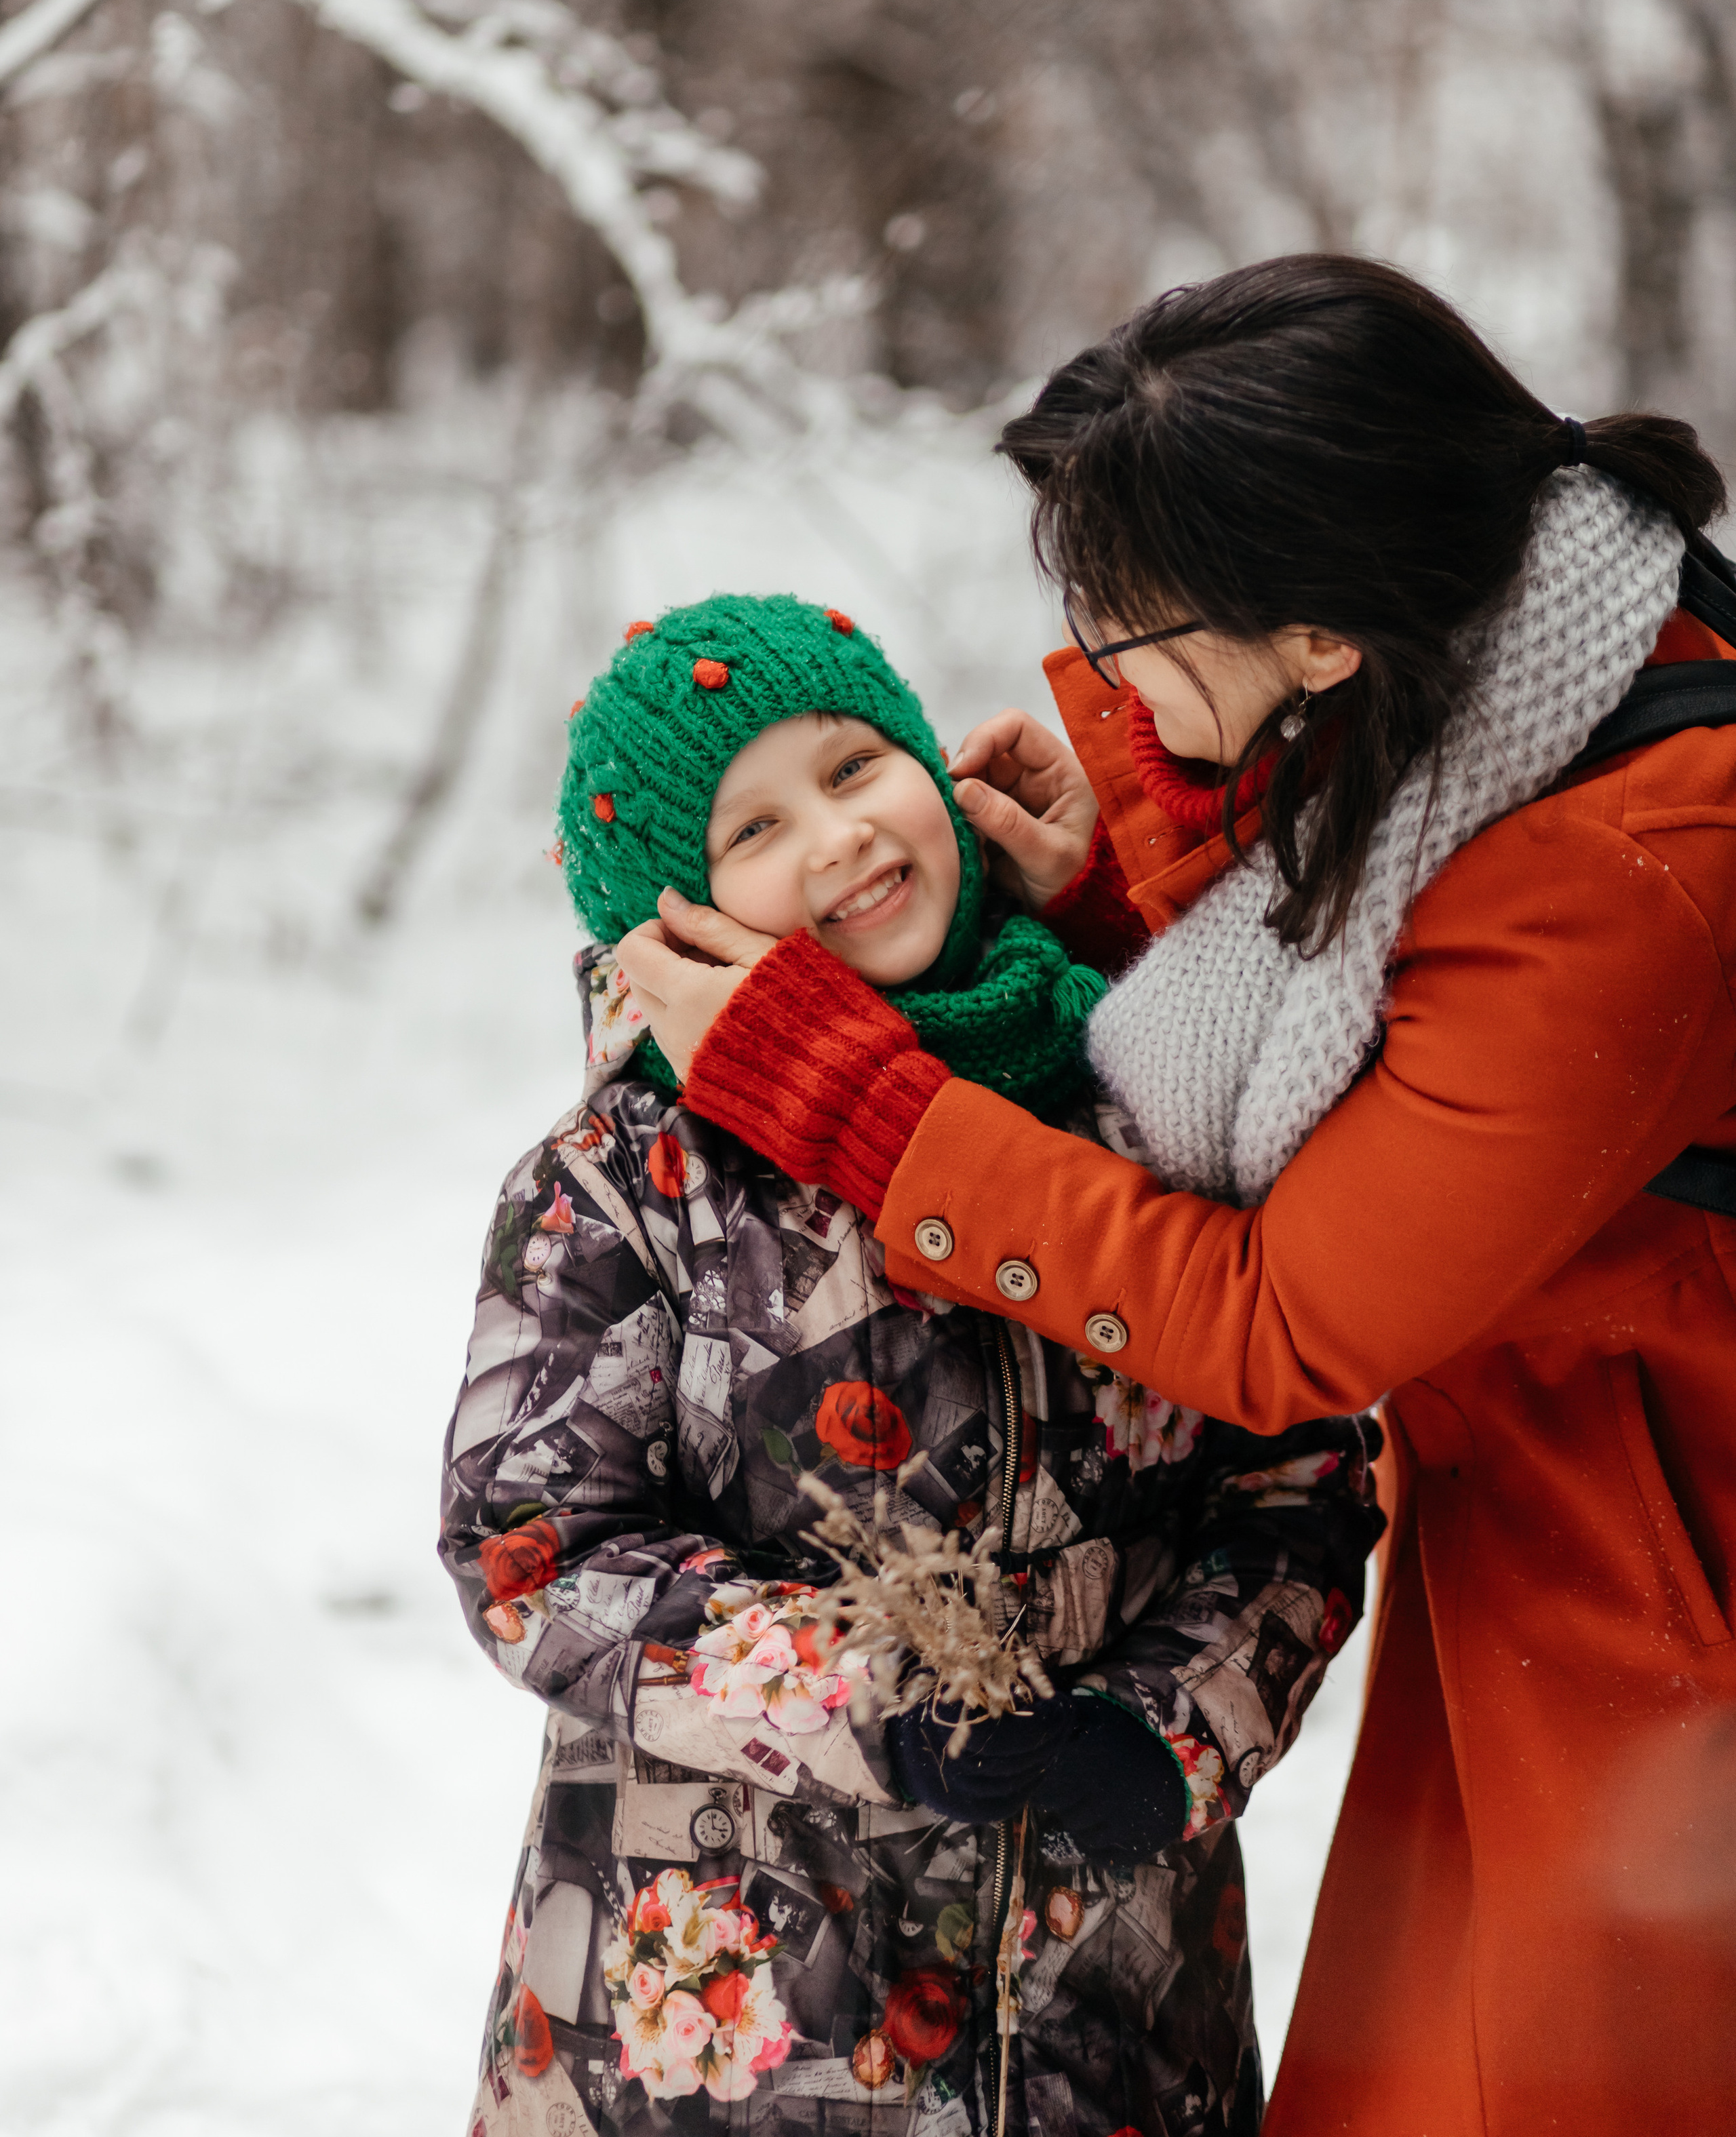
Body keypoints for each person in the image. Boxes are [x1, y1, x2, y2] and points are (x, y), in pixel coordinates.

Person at [614, 260, 1736, 2137]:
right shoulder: (1510, 640)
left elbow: (1287, 1316)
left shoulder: (1633, 863)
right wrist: (1136, 892)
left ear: (1315, 639)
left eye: (1134, 632)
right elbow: (1377, 1025)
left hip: (1669, 1569)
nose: (1104, 678)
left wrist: (854, 1102)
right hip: (1568, 1524)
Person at [440, 592, 1381, 2137]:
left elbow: (1296, 1459)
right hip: (729, 2032)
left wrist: (1172, 1728)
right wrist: (881, 1700)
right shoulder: (629, 1180)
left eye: (857, 764)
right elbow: (533, 1549)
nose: (837, 837)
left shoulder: (1134, 1100)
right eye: (751, 831)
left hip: (1112, 2005)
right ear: (674, 920)